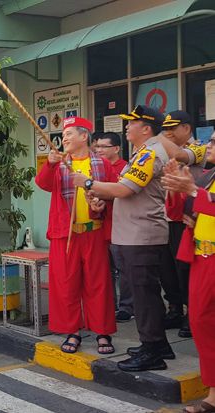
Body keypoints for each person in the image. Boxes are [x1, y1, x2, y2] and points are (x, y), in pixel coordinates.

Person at [72, 105, 173, 371]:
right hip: (134, 235)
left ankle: (152, 352)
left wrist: (90, 184)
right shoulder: (141, 153)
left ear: (147, 128)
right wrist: (101, 195)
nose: (126, 127)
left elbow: (125, 189)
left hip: (141, 235)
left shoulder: (149, 154)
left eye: (132, 123)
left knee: (144, 296)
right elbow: (120, 190)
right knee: (145, 293)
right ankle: (158, 344)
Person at [35, 116, 117, 355]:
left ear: (84, 136)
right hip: (65, 234)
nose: (64, 138)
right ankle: (73, 332)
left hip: (94, 232)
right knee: (66, 284)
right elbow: (43, 184)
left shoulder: (102, 164)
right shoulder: (59, 164)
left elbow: (115, 192)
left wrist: (103, 204)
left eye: (69, 133)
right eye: (63, 134)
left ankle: (103, 332)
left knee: (98, 284)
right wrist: (49, 165)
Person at [161, 136, 215, 413]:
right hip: (202, 258)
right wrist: (175, 188)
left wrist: (191, 190)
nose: (209, 145)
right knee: (202, 325)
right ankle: (213, 395)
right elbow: (177, 212)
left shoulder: (201, 183)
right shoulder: (207, 177)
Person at [94, 132, 130, 319]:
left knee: (123, 268)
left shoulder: (125, 168)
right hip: (100, 226)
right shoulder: (96, 168)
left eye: (103, 147)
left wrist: (97, 190)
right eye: (97, 146)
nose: (99, 150)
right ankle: (109, 305)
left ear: (116, 148)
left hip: (119, 226)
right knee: (105, 270)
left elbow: (120, 192)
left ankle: (126, 307)